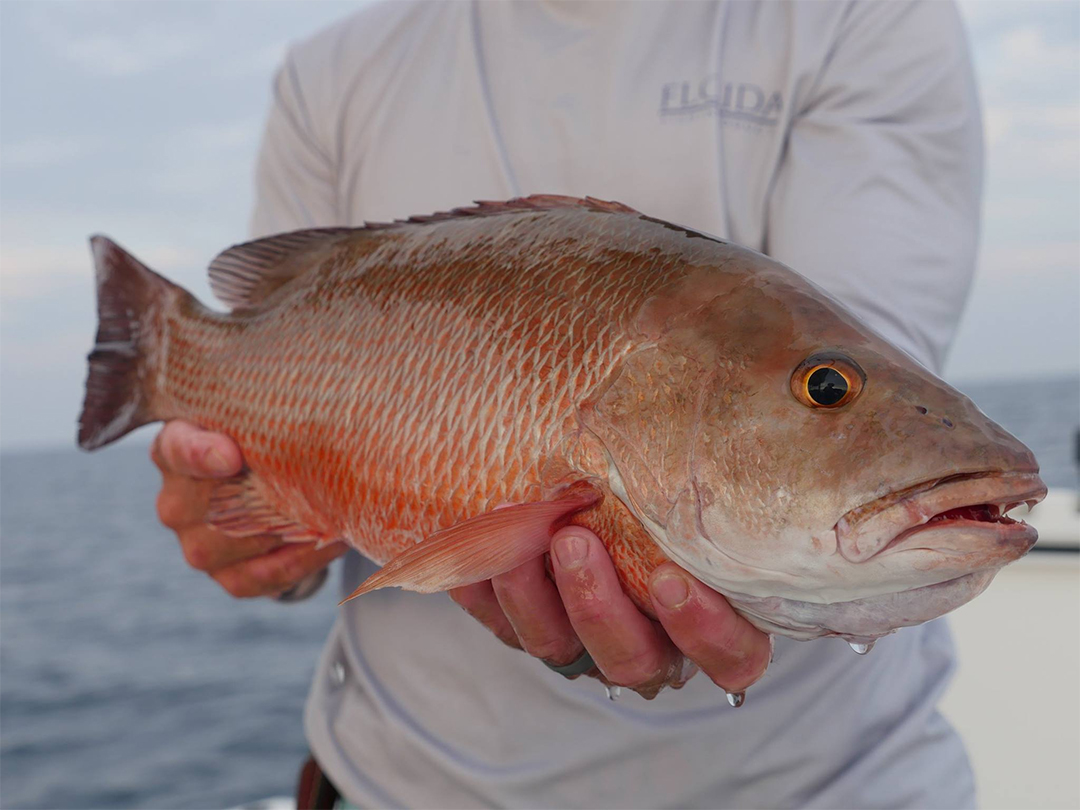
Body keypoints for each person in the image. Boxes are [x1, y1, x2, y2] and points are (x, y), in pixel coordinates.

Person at [151, 1, 985, 806]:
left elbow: (871, 344)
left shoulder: (863, 12)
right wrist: (251, 527)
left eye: (824, 390)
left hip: (825, 786)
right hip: (392, 781)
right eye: (826, 389)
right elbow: (274, 333)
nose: (828, 392)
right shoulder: (326, 73)